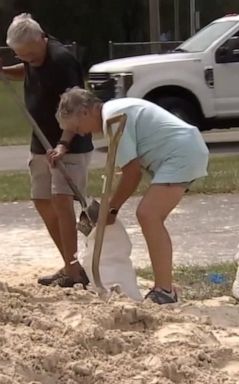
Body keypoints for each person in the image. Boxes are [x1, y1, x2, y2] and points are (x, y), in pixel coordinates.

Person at [55, 87, 210, 304]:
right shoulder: (114, 114)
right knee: (149, 215)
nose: (81, 133)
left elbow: (132, 174)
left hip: (181, 153)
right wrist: (110, 208)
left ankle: (165, 290)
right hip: (182, 151)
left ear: (84, 112)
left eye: (78, 127)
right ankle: (164, 286)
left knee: (149, 215)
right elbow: (129, 171)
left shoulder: (114, 118)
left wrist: (111, 209)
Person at [0, 14, 93, 287]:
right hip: (40, 143)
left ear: (42, 39)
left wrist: (64, 143)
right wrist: (6, 72)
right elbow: (28, 70)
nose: (28, 60)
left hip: (69, 144)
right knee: (43, 201)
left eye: (30, 55)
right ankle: (69, 264)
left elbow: (77, 107)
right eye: (22, 56)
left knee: (62, 202)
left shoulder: (62, 61)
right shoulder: (32, 57)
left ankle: (75, 271)